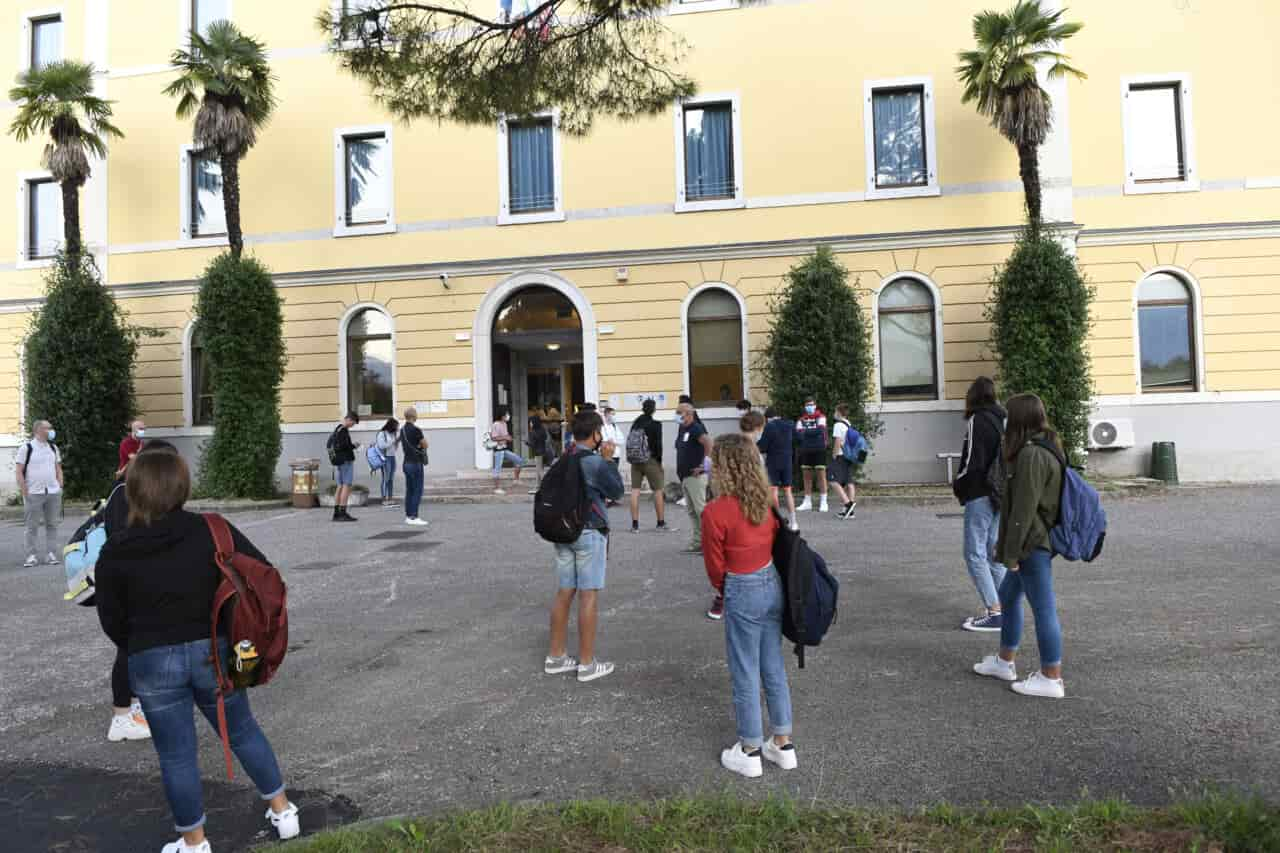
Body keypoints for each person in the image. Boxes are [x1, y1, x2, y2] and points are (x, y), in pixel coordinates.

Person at [94, 450, 300, 852]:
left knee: (176, 756)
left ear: (133, 491)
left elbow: (111, 621)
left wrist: (137, 647)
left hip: (152, 660)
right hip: (219, 651)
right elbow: (260, 575)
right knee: (242, 731)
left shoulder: (115, 550)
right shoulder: (213, 529)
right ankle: (283, 810)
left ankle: (195, 842)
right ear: (182, 486)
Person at [701, 433, 794, 778]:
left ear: (723, 468)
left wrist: (724, 591)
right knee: (772, 666)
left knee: (744, 669)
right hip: (772, 583)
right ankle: (783, 743)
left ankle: (750, 748)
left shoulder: (715, 510)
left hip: (741, 587)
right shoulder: (764, 502)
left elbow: (715, 565)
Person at [972, 393, 1067, 700]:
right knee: (1009, 595)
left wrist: (1010, 554)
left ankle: (1051, 677)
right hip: (1034, 541)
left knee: (1043, 608)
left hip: (1032, 544)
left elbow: (1023, 512)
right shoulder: (1043, 446)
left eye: (1009, 417)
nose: (1005, 421)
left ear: (1019, 419)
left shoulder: (1032, 455)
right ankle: (1004, 661)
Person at [544, 411, 626, 683]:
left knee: (564, 591)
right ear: (595, 434)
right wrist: (609, 461)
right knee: (588, 595)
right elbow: (616, 491)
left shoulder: (563, 458)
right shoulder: (594, 462)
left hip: (563, 532)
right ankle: (587, 663)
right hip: (589, 532)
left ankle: (556, 657)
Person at [953, 377, 1008, 632]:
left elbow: (972, 459)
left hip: (981, 491)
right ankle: (1006, 607)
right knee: (994, 552)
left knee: (974, 552)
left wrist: (959, 484)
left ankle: (994, 611)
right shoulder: (1003, 418)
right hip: (1001, 491)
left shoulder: (979, 419)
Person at [16, 419, 63, 568]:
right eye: (48, 428)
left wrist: (60, 484)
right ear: (38, 430)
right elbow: (19, 470)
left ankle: (51, 554)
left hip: (53, 492)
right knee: (32, 526)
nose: (51, 430)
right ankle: (31, 555)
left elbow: (58, 467)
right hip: (34, 493)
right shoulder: (26, 448)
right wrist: (24, 490)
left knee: (52, 525)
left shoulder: (53, 447)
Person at [627, 398, 675, 534]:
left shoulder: (636, 423)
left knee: (635, 491)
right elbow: (658, 445)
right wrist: (659, 462)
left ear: (643, 408)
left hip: (635, 460)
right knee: (658, 491)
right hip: (651, 460)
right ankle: (660, 523)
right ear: (654, 409)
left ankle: (635, 525)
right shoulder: (656, 424)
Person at [676, 402, 713, 556]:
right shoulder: (683, 428)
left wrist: (703, 465)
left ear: (688, 414)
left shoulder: (696, 428)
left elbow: (709, 443)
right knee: (692, 511)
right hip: (685, 476)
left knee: (701, 511)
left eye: (679, 412)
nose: (677, 415)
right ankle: (698, 542)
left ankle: (710, 544)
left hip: (695, 477)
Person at [758, 408, 798, 532]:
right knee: (788, 490)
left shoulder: (769, 427)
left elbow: (762, 447)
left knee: (774, 490)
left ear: (768, 417)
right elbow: (799, 439)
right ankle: (794, 521)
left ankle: (778, 521)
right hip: (787, 462)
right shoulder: (790, 424)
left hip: (773, 462)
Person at [794, 395, 829, 514]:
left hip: (819, 449)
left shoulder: (821, 417)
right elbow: (798, 434)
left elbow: (820, 430)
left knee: (821, 475)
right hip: (805, 450)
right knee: (806, 476)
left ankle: (823, 501)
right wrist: (810, 433)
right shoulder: (801, 419)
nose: (810, 407)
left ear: (815, 405)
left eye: (812, 405)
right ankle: (807, 501)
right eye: (807, 405)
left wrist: (805, 432)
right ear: (804, 407)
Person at [828, 403, 859, 521]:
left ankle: (848, 505)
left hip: (840, 456)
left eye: (835, 411)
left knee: (833, 480)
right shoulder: (848, 423)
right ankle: (849, 512)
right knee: (849, 481)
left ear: (839, 413)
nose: (834, 414)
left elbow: (838, 441)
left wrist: (834, 455)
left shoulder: (838, 425)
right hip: (848, 456)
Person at [400, 407, 429, 527]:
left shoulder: (402, 430)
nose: (417, 416)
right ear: (413, 416)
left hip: (406, 463)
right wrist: (420, 445)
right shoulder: (416, 430)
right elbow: (425, 444)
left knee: (409, 490)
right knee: (417, 489)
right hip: (415, 463)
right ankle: (414, 516)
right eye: (416, 414)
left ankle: (408, 516)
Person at [330, 412, 359, 522]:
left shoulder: (338, 429)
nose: (352, 425)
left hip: (339, 461)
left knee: (340, 486)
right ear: (348, 419)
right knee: (346, 486)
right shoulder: (343, 430)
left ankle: (336, 512)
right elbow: (344, 446)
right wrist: (354, 446)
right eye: (353, 423)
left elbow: (339, 446)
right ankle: (342, 512)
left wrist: (351, 446)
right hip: (345, 461)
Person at [489, 407, 525, 495]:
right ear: (502, 415)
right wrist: (505, 437)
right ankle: (496, 488)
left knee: (519, 461)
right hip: (498, 450)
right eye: (506, 414)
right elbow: (493, 437)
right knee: (497, 468)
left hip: (504, 448)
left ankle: (516, 479)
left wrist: (509, 437)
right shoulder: (496, 424)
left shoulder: (504, 424)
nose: (508, 416)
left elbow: (505, 435)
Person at [600, 406, 624, 507]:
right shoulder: (602, 427)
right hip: (607, 455)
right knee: (607, 477)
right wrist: (611, 441)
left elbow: (622, 440)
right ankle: (606, 499)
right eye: (612, 414)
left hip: (616, 454)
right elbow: (603, 440)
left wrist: (613, 441)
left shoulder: (615, 426)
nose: (613, 416)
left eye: (614, 414)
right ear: (606, 415)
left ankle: (612, 498)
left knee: (613, 477)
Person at [375, 418, 400, 507]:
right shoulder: (382, 434)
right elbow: (381, 446)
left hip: (392, 457)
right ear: (391, 426)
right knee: (386, 478)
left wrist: (397, 442)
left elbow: (394, 448)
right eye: (396, 426)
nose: (397, 428)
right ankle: (384, 498)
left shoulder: (393, 434)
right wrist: (393, 441)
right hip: (385, 458)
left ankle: (390, 498)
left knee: (391, 479)